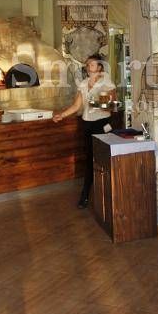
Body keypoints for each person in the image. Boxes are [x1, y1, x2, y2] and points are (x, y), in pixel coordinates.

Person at [53, 54, 116, 208]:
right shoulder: (83, 83)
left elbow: (111, 106)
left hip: (102, 124)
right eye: (87, 65)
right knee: (89, 160)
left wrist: (95, 103)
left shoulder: (106, 83)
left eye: (91, 64)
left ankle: (110, 196)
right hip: (87, 124)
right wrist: (62, 115)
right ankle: (85, 196)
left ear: (99, 67)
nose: (88, 67)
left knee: (104, 159)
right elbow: (76, 106)